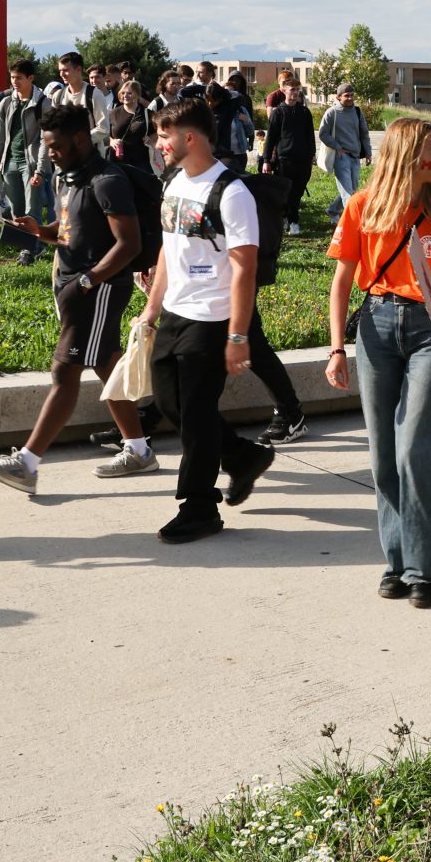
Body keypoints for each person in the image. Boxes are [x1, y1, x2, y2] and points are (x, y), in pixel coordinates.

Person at [0, 104, 159, 497]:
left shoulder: (108, 181)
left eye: (56, 146)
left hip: (99, 288)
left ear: (79, 139)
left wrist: (88, 282)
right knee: (106, 365)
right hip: (77, 285)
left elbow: (128, 244)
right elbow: (71, 227)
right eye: (47, 145)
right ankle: (139, 450)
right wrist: (41, 231)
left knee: (65, 370)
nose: (51, 153)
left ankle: (26, 464)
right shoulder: (68, 178)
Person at [324, 119, 431, 604]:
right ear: (409, 155)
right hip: (376, 327)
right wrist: (337, 348)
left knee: (414, 450)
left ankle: (426, 570)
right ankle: (397, 563)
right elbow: (342, 282)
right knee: (383, 454)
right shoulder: (362, 206)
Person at [139, 97, 276, 543]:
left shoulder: (232, 193)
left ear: (190, 137)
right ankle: (241, 455)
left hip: (213, 318)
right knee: (169, 403)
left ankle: (199, 508)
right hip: (176, 312)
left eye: (164, 136)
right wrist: (152, 307)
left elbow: (245, 268)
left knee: (197, 416)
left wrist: (237, 335)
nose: (159, 144)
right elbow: (168, 247)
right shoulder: (175, 180)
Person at [0, 57, 53, 261]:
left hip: (31, 163)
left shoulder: (43, 103)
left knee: (32, 209)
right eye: (12, 77)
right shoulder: (6, 102)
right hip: (10, 162)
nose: (14, 82)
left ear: (31, 78)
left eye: (19, 78)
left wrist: (40, 170)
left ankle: (31, 249)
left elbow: (45, 139)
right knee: (16, 209)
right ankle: (28, 246)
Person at [259, 77, 316, 235]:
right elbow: (271, 138)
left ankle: (287, 216)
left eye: (298, 90)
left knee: (298, 191)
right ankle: (293, 221)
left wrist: (312, 154)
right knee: (288, 192)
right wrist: (266, 160)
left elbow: (310, 136)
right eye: (292, 89)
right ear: (284, 91)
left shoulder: (304, 112)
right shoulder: (278, 112)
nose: (296, 93)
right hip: (285, 160)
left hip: (303, 160)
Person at [319, 86, 372, 220]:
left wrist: (368, 152)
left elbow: (364, 133)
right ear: (338, 97)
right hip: (341, 157)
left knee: (352, 190)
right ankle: (352, 222)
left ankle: (333, 210)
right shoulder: (332, 112)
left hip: (355, 156)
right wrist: (337, 147)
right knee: (348, 193)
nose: (350, 98)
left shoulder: (357, 112)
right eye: (346, 95)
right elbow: (323, 134)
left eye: (352, 95)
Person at [107, 73, 155, 163]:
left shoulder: (147, 113)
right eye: (123, 93)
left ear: (137, 95)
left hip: (140, 160)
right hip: (117, 159)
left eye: (129, 93)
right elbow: (106, 133)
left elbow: (156, 133)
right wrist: (112, 141)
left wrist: (150, 139)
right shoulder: (113, 113)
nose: (125, 96)